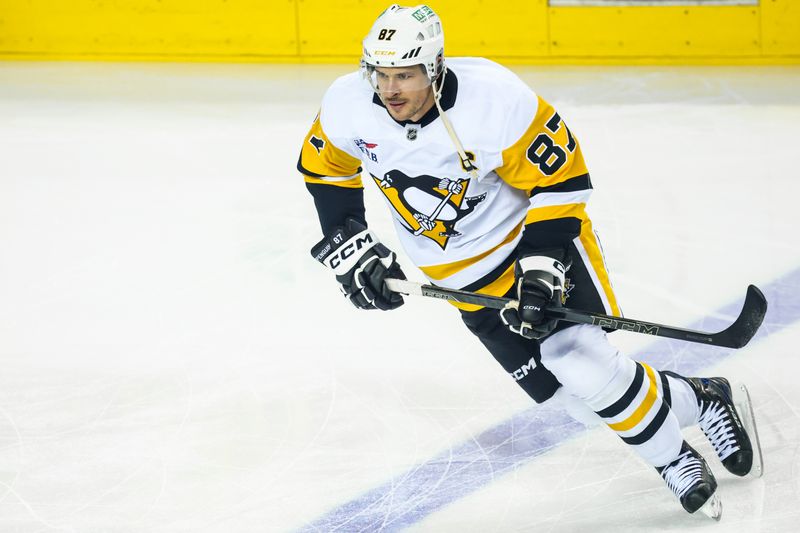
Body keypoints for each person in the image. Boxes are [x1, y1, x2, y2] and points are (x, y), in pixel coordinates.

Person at [299, 4, 761, 520]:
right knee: (579, 403)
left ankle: (674, 461)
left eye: (404, 75)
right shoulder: (347, 104)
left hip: (535, 247)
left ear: (433, 67)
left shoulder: (495, 99)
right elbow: (326, 169)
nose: (390, 89)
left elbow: (562, 180)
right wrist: (353, 245)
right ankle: (703, 398)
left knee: (579, 361)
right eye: (381, 74)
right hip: (461, 283)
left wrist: (540, 269)